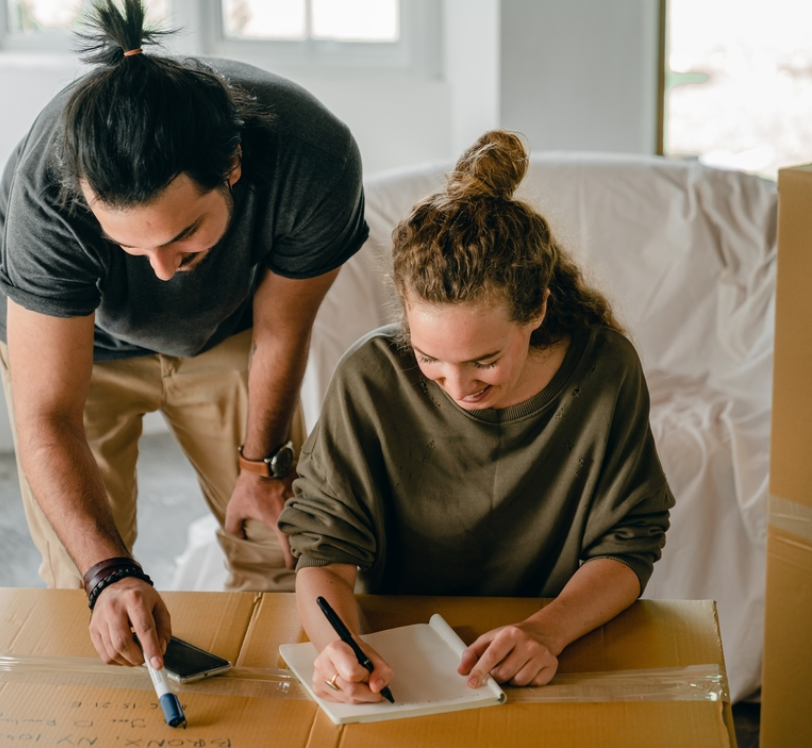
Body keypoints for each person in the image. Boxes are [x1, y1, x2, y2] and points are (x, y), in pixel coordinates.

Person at [0, 0, 368, 670]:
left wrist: (259, 465)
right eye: (131, 247)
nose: (162, 271)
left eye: (184, 235)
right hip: (78, 348)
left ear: (231, 167)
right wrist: (108, 572)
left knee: (276, 546)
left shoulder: (316, 160)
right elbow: (48, 413)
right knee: (87, 580)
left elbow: (281, 333)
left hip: (227, 334)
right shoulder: (47, 189)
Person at [278, 130, 674, 703]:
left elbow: (629, 544)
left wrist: (547, 630)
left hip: (548, 651)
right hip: (397, 658)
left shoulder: (605, 370)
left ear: (536, 307)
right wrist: (335, 646)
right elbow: (325, 553)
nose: (459, 388)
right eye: (429, 359)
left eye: (485, 361)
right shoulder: (369, 376)